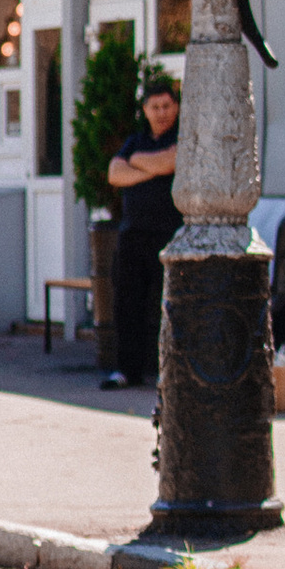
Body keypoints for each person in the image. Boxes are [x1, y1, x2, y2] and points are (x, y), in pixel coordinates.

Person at [103, 69, 181, 390]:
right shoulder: (135, 141)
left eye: (166, 106)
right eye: (154, 107)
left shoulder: (182, 137)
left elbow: (172, 161)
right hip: (132, 235)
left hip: (168, 235)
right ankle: (126, 371)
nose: (161, 113)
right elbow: (115, 173)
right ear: (145, 110)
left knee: (168, 307)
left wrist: (139, 163)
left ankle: (169, 372)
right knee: (127, 305)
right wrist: (152, 167)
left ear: (176, 107)